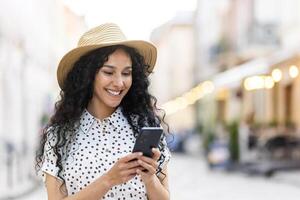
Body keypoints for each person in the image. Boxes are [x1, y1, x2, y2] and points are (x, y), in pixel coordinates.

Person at [35, 23, 171, 200]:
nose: (119, 83)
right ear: (88, 75)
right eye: (109, 72)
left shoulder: (145, 127)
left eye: (126, 73)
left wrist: (150, 179)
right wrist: (108, 180)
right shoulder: (59, 135)